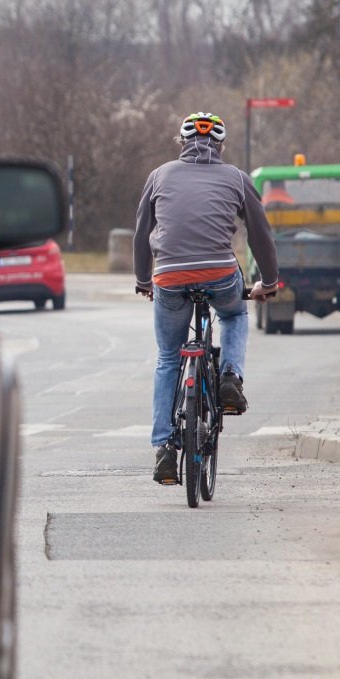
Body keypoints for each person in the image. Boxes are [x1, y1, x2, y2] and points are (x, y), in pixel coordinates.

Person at [134, 112, 282, 485]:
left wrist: (142, 279)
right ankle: (230, 377)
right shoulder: (236, 177)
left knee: (168, 357)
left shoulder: (159, 175)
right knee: (234, 315)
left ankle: (165, 448)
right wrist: (269, 281)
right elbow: (259, 233)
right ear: (220, 145)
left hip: (168, 275)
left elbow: (141, 234)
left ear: (182, 143)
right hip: (218, 272)